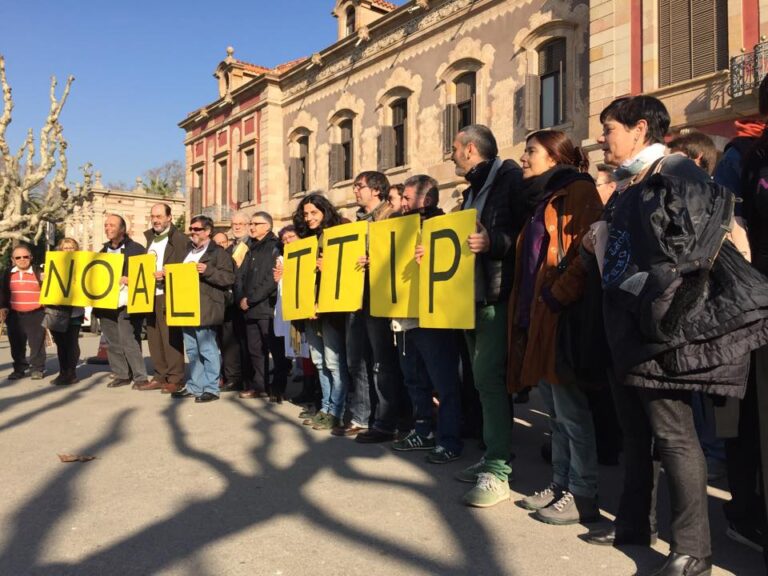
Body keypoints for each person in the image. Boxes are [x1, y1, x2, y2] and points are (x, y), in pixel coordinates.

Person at [584, 95, 768, 576]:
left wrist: (653, 293)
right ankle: (634, 524)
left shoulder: (677, 172)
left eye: (609, 129)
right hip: (628, 321)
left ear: (639, 128)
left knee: (674, 435)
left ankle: (693, 551)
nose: (603, 138)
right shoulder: (634, 182)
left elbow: (686, 252)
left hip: (660, 323)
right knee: (636, 431)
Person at [507, 130, 603, 524]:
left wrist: (557, 296)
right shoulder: (540, 199)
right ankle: (561, 482)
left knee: (572, 413)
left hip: (560, 317)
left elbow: (589, 248)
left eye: (531, 151)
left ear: (555, 156)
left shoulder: (577, 192)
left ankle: (583, 494)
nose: (524, 157)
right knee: (556, 415)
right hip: (537, 316)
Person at [448, 124, 524, 508]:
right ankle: (493, 454)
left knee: (488, 379)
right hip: (468, 296)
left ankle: (498, 470)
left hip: (495, 295)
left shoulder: (509, 179)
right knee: (481, 383)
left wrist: (492, 242)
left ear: (471, 150)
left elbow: (523, 235)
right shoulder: (472, 191)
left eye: (455, 149)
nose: (451, 155)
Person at [390, 174, 463, 463]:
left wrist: (434, 254)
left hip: (434, 319)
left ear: (427, 199)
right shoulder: (398, 228)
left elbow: (457, 264)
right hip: (406, 316)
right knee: (413, 379)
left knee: (443, 382)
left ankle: (449, 439)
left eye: (407, 197)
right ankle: (423, 429)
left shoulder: (445, 226)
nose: (402, 203)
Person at [346, 170, 409, 444]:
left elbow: (399, 254)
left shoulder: (391, 218)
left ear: (375, 190)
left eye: (359, 186)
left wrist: (378, 259)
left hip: (379, 298)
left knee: (383, 363)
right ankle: (366, 417)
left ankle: (387, 422)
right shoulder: (357, 222)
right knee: (358, 361)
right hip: (356, 298)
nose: (355, 191)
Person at [291, 193, 351, 431]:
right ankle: (326, 408)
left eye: (313, 213)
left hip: (330, 308)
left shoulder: (336, 235)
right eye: (305, 214)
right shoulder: (308, 239)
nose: (308, 218)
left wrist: (329, 267)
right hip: (310, 308)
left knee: (334, 362)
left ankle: (337, 410)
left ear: (325, 212)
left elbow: (347, 273)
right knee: (318, 361)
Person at [172, 215, 235, 403]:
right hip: (185, 306)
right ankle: (194, 385)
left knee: (207, 349)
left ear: (208, 231)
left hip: (206, 308)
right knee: (192, 350)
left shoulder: (219, 253)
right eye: (191, 228)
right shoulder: (187, 252)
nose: (192, 232)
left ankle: (211, 388)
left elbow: (228, 279)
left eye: (197, 229)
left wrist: (207, 271)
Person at [138, 203, 188, 393]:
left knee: (171, 337)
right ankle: (160, 375)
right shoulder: (150, 238)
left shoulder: (180, 239)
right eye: (153, 216)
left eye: (159, 216)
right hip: (149, 294)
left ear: (169, 217)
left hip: (169, 292)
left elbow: (186, 266)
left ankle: (175, 378)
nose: (156, 220)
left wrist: (168, 273)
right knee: (153, 336)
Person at [235, 211, 284, 400]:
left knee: (274, 349)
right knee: (255, 350)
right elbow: (240, 276)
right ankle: (260, 386)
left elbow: (271, 279)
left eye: (256, 224)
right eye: (251, 223)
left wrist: (251, 299)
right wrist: (241, 297)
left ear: (268, 226)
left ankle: (278, 388)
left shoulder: (275, 246)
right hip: (249, 308)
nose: (251, 227)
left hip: (266, 307)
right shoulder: (250, 247)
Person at [96, 214, 149, 389]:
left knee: (129, 339)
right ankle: (121, 374)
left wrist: (130, 278)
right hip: (106, 303)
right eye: (106, 225)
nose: (108, 228)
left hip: (128, 302)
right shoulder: (102, 252)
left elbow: (145, 274)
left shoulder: (137, 249)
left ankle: (140, 377)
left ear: (122, 229)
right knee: (112, 341)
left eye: (112, 225)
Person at [0, 244, 46, 380]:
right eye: (18, 257)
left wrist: (46, 281)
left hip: (36, 313)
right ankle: (19, 369)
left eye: (25, 256)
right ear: (13, 260)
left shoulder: (39, 272)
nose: (22, 259)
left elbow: (50, 291)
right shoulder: (8, 273)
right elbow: (3, 292)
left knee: (36, 344)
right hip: (14, 314)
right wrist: (2, 307)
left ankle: (37, 369)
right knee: (16, 344)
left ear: (31, 257)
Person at [45, 238, 85, 385]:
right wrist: (44, 278)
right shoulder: (54, 265)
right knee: (61, 344)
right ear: (60, 250)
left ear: (76, 249)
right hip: (57, 311)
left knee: (72, 342)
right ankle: (63, 372)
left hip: (75, 311)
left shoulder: (83, 265)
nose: (68, 250)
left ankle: (71, 373)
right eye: (65, 248)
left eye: (72, 247)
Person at [219, 210, 251, 392]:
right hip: (231, 301)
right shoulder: (230, 248)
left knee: (247, 344)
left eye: (241, 224)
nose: (237, 227)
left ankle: (247, 378)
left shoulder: (251, 246)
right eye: (234, 224)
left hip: (247, 300)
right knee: (230, 342)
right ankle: (233, 377)